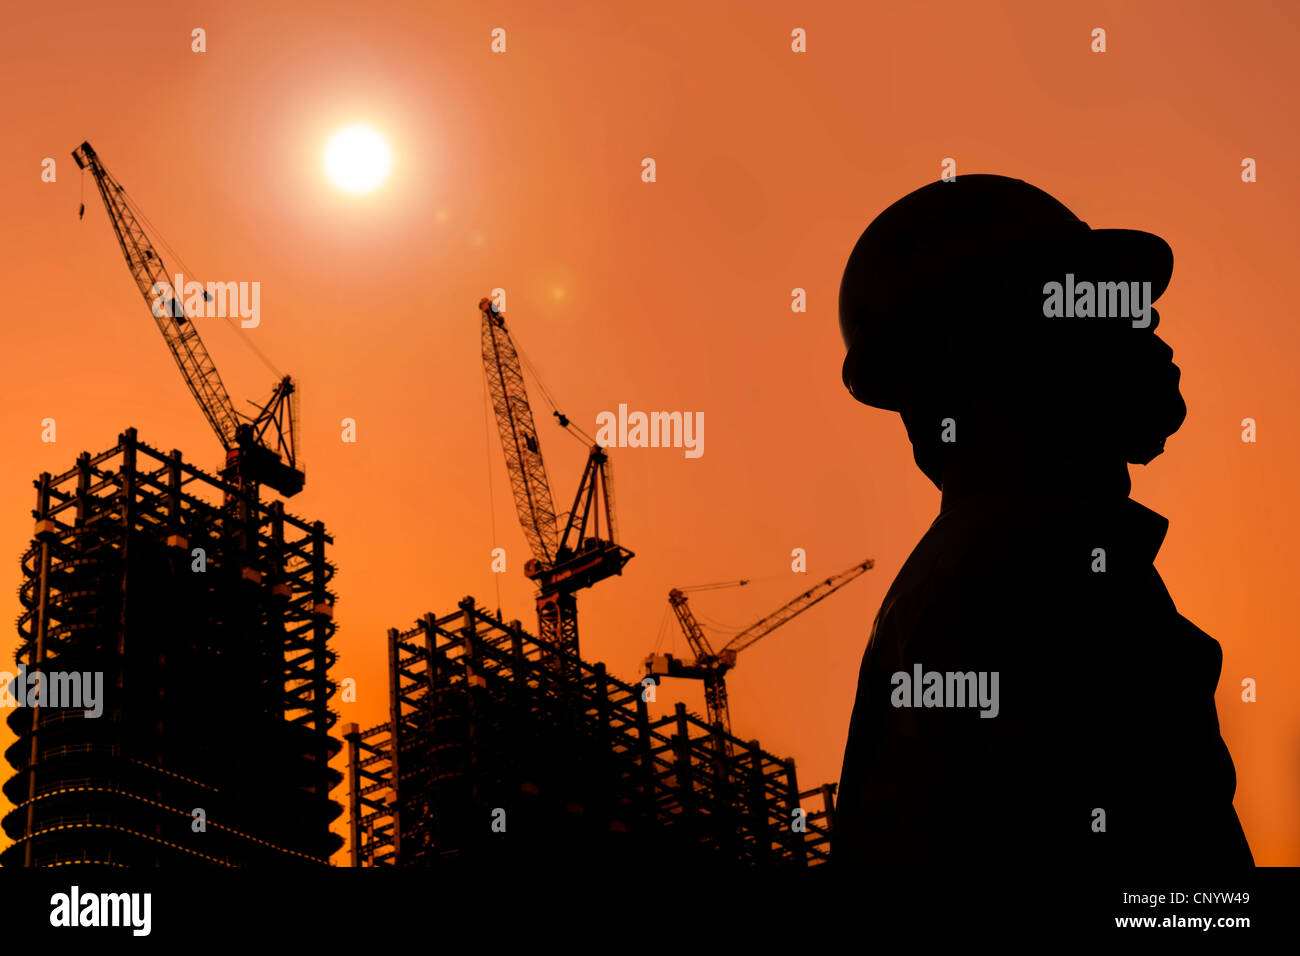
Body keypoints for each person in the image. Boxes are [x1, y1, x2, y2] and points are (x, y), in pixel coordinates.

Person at [832, 175, 1253, 871]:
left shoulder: (1013, 564)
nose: (1146, 320)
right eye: (1100, 300)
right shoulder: (1031, 578)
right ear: (1006, 355)